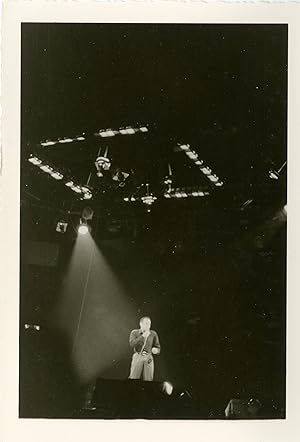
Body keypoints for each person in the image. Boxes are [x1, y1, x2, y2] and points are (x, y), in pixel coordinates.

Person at [128, 317, 161, 381]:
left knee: (149, 378)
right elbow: (132, 344)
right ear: (141, 324)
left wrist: (156, 350)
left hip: (149, 357)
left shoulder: (153, 334)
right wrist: (142, 336)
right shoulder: (134, 332)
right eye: (146, 323)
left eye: (149, 324)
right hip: (138, 355)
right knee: (134, 377)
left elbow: (158, 347)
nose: (148, 325)